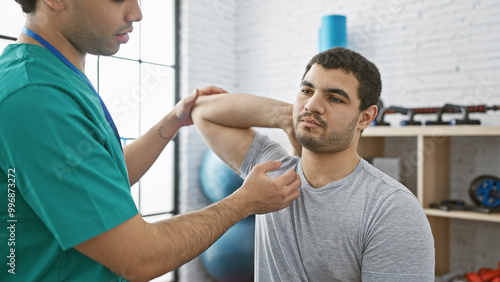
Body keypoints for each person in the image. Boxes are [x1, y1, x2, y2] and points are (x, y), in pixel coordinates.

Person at [0, 0, 301, 281]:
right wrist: (244, 201)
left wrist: (171, 122)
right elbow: (140, 257)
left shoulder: (54, 74)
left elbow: (100, 179)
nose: (136, 13)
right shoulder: (37, 97)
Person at [192, 47, 436, 281]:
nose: (312, 105)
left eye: (334, 98)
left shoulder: (393, 209)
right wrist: (287, 116)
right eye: (307, 91)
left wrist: (306, 113)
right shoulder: (271, 170)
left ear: (365, 117)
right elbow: (202, 111)